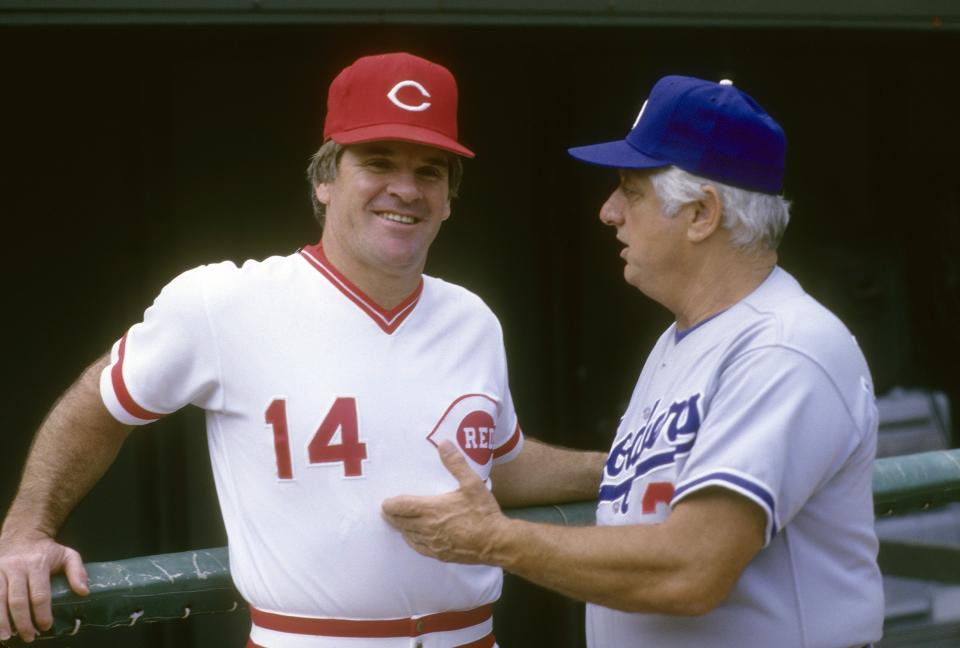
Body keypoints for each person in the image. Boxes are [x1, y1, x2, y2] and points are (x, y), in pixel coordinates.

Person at [0, 52, 605, 647]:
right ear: (324, 179)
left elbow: (495, 464)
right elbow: (99, 403)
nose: (406, 188)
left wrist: (617, 469)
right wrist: (27, 529)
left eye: (430, 171)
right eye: (378, 161)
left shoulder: (472, 318)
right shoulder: (224, 302)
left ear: (449, 197)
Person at [383, 75, 885, 647]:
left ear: (701, 213)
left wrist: (493, 539)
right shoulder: (685, 337)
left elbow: (692, 570)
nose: (608, 212)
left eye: (631, 190)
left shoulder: (786, 348)